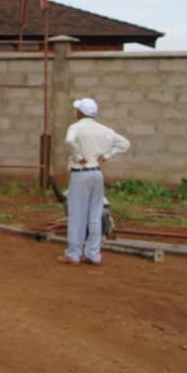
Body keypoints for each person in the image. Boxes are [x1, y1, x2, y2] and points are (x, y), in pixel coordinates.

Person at [60, 97, 130, 265]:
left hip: (81, 173)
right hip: (97, 174)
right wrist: (106, 157)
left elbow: (69, 141)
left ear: (80, 112)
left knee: (77, 215)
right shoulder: (104, 129)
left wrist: (78, 156)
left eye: (77, 110)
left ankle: (73, 254)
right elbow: (125, 144)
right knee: (95, 215)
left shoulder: (76, 127)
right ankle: (93, 254)